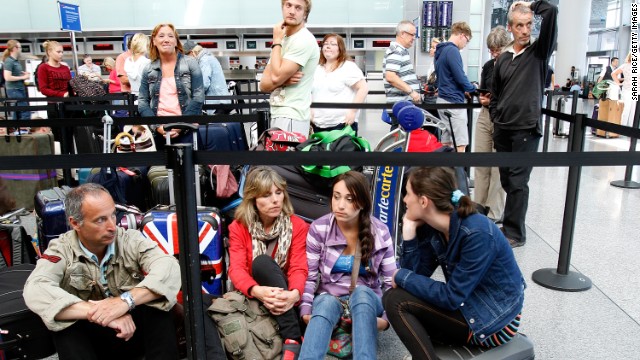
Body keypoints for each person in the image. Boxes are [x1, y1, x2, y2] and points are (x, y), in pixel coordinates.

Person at [23, 183, 181, 360]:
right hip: (89, 343)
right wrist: (99, 313)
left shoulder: (130, 240)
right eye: (100, 220)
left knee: (159, 301)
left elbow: (169, 267)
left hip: (133, 333)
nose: (112, 226)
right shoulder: (61, 250)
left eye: (113, 215)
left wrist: (125, 302)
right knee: (63, 320)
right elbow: (35, 289)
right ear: (75, 223)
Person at [382, 167, 525, 360]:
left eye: (408, 194)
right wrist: (408, 234)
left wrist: (401, 276)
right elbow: (412, 276)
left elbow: (451, 297)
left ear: (424, 201)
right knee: (398, 296)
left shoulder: (477, 233)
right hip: (468, 303)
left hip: (495, 321)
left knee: (395, 301)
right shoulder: (435, 227)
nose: (405, 200)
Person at [299, 171, 395, 360]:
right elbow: (309, 277)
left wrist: (385, 320)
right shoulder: (319, 229)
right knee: (325, 301)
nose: (340, 205)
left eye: (349, 199)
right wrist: (306, 312)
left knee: (362, 293)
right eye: (336, 197)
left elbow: (390, 284)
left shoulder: (380, 232)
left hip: (367, 300)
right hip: (330, 298)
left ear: (362, 202)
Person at [489, 0, 558, 247]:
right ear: (511, 27)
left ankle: (515, 233)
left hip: (526, 129)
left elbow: (552, 12)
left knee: (518, 182)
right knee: (508, 180)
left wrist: (531, 4)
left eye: (529, 24)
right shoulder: (504, 59)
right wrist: (496, 117)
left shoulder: (539, 53)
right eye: (520, 25)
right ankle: (509, 221)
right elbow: (495, 93)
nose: (525, 30)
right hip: (503, 129)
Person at [227, 166, 309, 359]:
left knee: (262, 263)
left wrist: (294, 294)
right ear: (253, 200)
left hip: (287, 295)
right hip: (254, 294)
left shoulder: (297, 225)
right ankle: (294, 335)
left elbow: (298, 267)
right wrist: (257, 291)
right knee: (261, 264)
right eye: (266, 195)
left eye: (279, 192)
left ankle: (291, 338)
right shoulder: (239, 227)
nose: (275, 200)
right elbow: (236, 269)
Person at [138, 23, 204, 148]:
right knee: (160, 168)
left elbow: (198, 97)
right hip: (160, 132)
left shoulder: (191, 63)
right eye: (161, 36)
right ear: (154, 41)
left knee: (191, 167)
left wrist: (179, 126)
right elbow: (142, 101)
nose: (166, 40)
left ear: (176, 41)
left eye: (170, 36)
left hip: (188, 130)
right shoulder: (148, 69)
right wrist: (157, 126)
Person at [259, 0, 319, 136]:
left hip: (292, 115)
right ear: (283, 8)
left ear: (305, 14)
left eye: (298, 8)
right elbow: (263, 85)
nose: (292, 11)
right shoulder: (283, 39)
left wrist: (276, 42)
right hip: (279, 113)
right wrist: (283, 80)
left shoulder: (303, 39)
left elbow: (274, 77)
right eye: (288, 5)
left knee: (284, 158)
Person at [474, 26, 509, 223]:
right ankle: (478, 206)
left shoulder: (512, 66)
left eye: (497, 49)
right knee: (481, 162)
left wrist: (493, 99)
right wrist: (482, 97)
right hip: (485, 115)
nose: (494, 53)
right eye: (492, 50)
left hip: (502, 117)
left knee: (497, 167)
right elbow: (484, 88)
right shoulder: (488, 66)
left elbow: (510, 94)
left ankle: (494, 211)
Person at [311, 33, 368, 134]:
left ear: (340, 49)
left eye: (333, 44)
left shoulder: (348, 67)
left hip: (342, 124)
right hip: (318, 125)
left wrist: (352, 112)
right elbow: (311, 92)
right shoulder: (317, 69)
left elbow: (363, 88)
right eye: (326, 44)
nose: (328, 46)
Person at [435, 21, 476, 152]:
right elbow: (460, 76)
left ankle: (444, 172)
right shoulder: (453, 51)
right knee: (460, 144)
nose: (465, 44)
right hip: (453, 102)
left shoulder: (440, 50)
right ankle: (459, 173)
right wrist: (472, 89)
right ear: (462, 35)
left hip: (442, 100)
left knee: (447, 143)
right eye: (467, 41)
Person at [37, 40, 73, 154]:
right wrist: (61, 94)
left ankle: (70, 160)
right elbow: (43, 89)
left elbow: (70, 84)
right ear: (49, 52)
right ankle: (62, 165)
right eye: (58, 52)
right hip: (54, 105)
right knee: (58, 135)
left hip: (68, 105)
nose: (61, 54)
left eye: (62, 52)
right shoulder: (43, 68)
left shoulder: (65, 68)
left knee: (69, 135)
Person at [383, 20, 421, 125]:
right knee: (401, 136)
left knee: (402, 136)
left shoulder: (400, 51)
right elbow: (390, 77)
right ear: (402, 34)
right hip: (401, 104)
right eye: (412, 34)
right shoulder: (396, 51)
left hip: (402, 104)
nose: (414, 38)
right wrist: (412, 92)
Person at [183, 41, 231, 115]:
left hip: (217, 103)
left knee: (215, 125)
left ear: (192, 52)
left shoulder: (204, 60)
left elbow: (203, 83)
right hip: (221, 101)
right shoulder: (209, 58)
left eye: (187, 56)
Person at [2, 40, 31, 121]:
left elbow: (14, 74)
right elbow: (7, 77)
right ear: (15, 48)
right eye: (20, 47)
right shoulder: (9, 61)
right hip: (14, 89)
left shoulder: (15, 61)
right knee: (24, 109)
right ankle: (25, 127)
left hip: (18, 88)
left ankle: (18, 128)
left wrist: (23, 74)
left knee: (18, 110)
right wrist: (23, 77)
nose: (21, 49)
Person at [612, 53, 636, 128]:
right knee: (628, 109)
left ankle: (628, 127)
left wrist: (619, 83)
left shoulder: (630, 66)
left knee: (632, 109)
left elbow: (613, 74)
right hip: (628, 90)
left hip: (632, 90)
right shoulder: (626, 65)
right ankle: (624, 127)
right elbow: (613, 74)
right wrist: (619, 83)